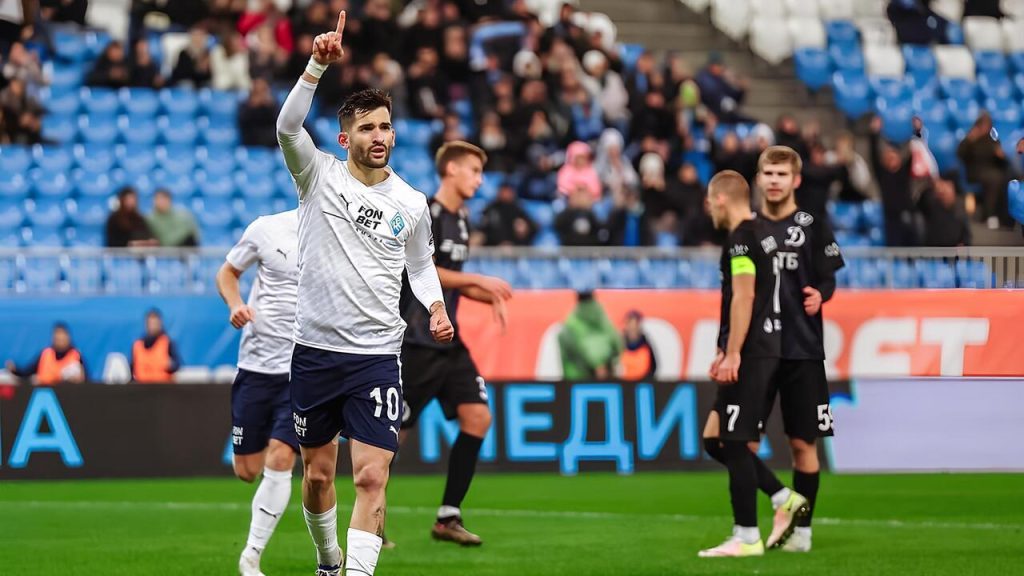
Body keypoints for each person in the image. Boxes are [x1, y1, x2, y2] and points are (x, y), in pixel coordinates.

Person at [276, 12, 453, 576]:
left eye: (386, 127)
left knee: (372, 476)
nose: (379, 137)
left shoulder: (412, 202)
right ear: (344, 136)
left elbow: (420, 265)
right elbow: (285, 128)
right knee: (319, 476)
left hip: (377, 356)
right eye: (368, 128)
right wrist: (315, 68)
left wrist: (436, 306)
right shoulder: (317, 176)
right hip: (315, 353)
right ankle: (328, 558)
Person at [398, 141, 513, 546]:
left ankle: (448, 517)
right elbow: (424, 270)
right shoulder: (425, 214)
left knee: (478, 417)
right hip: (415, 337)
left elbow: (454, 284)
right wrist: (480, 282)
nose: (479, 180)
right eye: (474, 171)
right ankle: (370, 517)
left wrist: (489, 296)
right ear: (451, 171)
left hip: (449, 338)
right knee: (393, 434)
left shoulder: (461, 219)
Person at [755, 146, 845, 553]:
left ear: (796, 180)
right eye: (768, 173)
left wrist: (820, 295)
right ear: (759, 179)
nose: (774, 180)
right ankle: (764, 510)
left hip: (803, 349)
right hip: (758, 349)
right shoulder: (748, 227)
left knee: (802, 444)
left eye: (781, 174)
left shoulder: (812, 224)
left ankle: (803, 532)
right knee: (740, 443)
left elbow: (829, 279)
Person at [698, 170, 782, 558]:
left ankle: (747, 536)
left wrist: (733, 352)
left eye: (707, 201)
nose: (706, 209)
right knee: (715, 438)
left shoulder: (741, 240)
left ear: (719, 199)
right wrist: (723, 346)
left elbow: (744, 297)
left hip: (751, 351)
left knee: (732, 441)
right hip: (756, 347)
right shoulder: (760, 233)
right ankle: (782, 496)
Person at [215, 209, 301, 576]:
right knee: (247, 471)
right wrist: (236, 305)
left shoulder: (336, 232)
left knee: (281, 458)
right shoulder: (267, 229)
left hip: (302, 371)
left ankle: (251, 556)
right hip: (256, 367)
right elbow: (228, 272)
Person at [558, 291, 621, 380]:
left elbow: (570, 348)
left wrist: (592, 367)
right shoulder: (605, 319)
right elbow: (617, 344)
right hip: (607, 379)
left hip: (578, 381)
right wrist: (605, 365)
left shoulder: (570, 323)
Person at [5, 323, 86, 385]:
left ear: (68, 338)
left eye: (62, 336)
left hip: (68, 395)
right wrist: (15, 370)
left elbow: (86, 379)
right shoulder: (45, 354)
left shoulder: (76, 355)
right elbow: (27, 372)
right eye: (57, 337)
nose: (60, 340)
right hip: (44, 393)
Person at [131, 309, 182, 383]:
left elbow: (177, 364)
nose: (153, 326)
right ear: (146, 324)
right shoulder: (137, 345)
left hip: (162, 388)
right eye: (150, 323)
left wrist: (171, 365)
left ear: (160, 324)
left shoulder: (167, 343)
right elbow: (131, 369)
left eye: (155, 323)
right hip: (141, 389)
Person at [620, 310, 656, 381]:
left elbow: (653, 366)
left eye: (635, 324)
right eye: (630, 324)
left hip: (643, 383)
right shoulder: (619, 344)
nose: (632, 328)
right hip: (624, 384)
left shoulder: (646, 345)